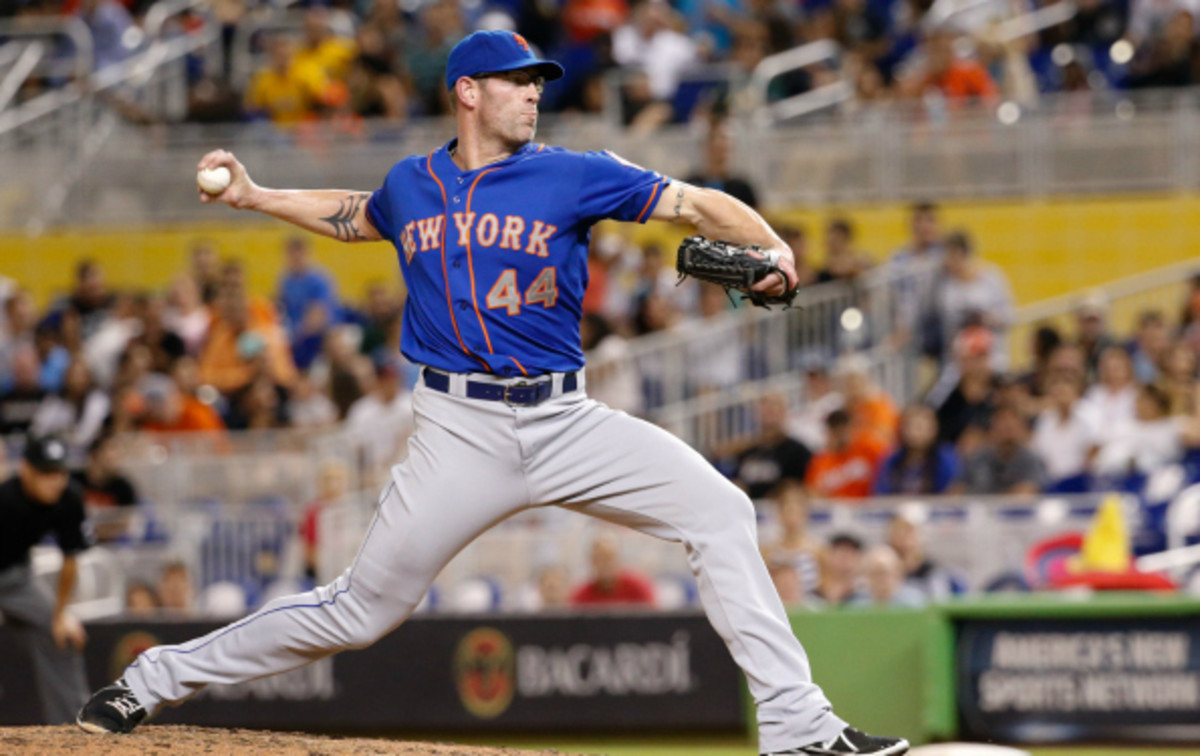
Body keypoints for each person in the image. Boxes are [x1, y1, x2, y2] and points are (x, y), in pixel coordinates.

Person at [77, 30, 908, 756]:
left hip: (566, 418)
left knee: (722, 512)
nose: (534, 96)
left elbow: (695, 205)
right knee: (361, 611)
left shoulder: (576, 175)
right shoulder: (413, 185)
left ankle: (799, 729)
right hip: (458, 430)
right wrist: (257, 197)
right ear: (468, 93)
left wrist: (772, 248)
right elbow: (356, 213)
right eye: (518, 82)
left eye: (539, 83)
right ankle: (154, 678)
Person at [0, 435, 91, 724]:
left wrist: (60, 614)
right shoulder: (4, 499)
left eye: (60, 472)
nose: (55, 481)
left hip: (17, 578)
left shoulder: (69, 498)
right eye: (46, 473)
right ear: (26, 469)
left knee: (62, 637)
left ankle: (75, 732)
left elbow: (70, 559)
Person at [569, 531, 656, 608]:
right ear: (592, 561)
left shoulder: (638, 587)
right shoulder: (581, 596)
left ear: (619, 559)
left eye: (609, 557)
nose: (605, 564)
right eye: (599, 558)